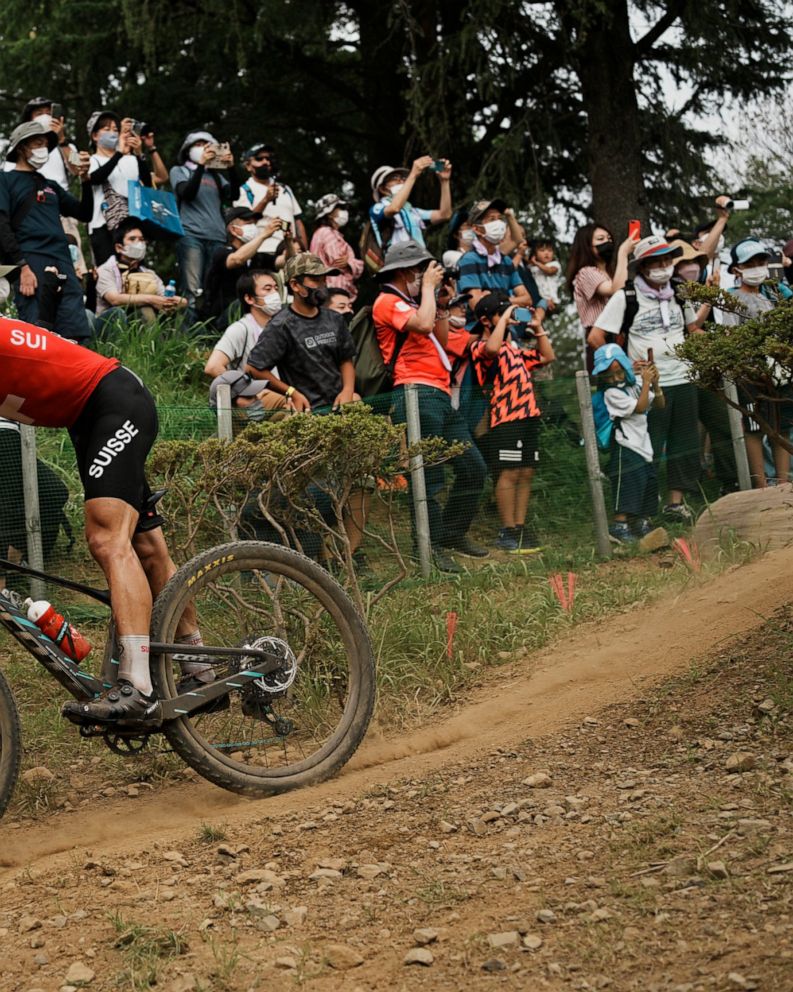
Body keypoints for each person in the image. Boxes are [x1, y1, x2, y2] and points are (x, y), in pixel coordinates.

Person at [0, 318, 202, 724]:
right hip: (91, 417)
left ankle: (138, 688)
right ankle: (198, 665)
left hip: (112, 402)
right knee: (145, 547)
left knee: (108, 540)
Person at [372, 239, 488, 572]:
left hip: (439, 394)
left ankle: (451, 532)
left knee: (473, 468)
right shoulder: (386, 301)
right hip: (414, 391)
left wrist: (440, 301)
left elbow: (440, 335)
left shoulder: (416, 302)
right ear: (409, 271)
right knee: (429, 477)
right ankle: (428, 546)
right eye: (423, 271)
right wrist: (427, 291)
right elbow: (421, 326)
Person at [590, 235, 701, 522]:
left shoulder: (678, 291)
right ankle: (641, 511)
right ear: (643, 267)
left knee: (685, 442)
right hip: (645, 386)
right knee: (647, 445)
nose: (664, 266)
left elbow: (692, 328)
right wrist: (624, 366)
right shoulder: (626, 296)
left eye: (667, 260)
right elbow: (596, 336)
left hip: (684, 377)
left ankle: (675, 504)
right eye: (656, 262)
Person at [470, 294, 555, 553]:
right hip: (505, 418)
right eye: (501, 312)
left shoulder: (514, 349)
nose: (509, 316)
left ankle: (519, 526)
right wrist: (506, 319)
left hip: (529, 415)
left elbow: (547, 357)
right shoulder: (479, 347)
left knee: (526, 471)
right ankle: (507, 530)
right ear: (486, 320)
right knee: (508, 472)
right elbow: (491, 349)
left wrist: (538, 329)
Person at [0, 121, 93, 342]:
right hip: (31, 261)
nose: (43, 148)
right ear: (22, 147)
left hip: (63, 261)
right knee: (37, 333)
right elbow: (1, 224)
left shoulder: (50, 184)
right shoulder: (5, 180)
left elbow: (84, 213)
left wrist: (86, 179)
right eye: (37, 142)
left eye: (45, 143)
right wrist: (21, 267)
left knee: (75, 330)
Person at [723, 237, 793, 487]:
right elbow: (731, 338)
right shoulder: (730, 298)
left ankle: (783, 483)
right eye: (750, 263)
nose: (757, 267)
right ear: (737, 269)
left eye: (761, 261)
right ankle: (761, 486)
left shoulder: (775, 293)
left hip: (780, 371)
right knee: (754, 428)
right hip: (750, 374)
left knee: (781, 425)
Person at [245, 253, 355, 412]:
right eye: (315, 280)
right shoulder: (281, 326)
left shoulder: (335, 319)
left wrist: (348, 391)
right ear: (295, 285)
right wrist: (291, 393)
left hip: (340, 409)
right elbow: (253, 368)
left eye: (324, 279)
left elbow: (346, 359)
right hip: (307, 414)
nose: (322, 285)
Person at [592, 343, 665, 543]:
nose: (615, 379)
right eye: (609, 376)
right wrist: (647, 382)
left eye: (618, 373)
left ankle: (642, 521)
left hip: (644, 446)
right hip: (626, 447)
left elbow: (659, 404)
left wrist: (655, 383)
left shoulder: (634, 387)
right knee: (628, 485)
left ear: (625, 367)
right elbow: (641, 408)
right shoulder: (611, 394)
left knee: (648, 483)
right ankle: (620, 525)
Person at [170, 130, 240, 320]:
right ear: (188, 149)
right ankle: (187, 337)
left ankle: (208, 333)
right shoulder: (180, 171)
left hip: (217, 236)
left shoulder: (216, 177)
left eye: (207, 145)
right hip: (191, 235)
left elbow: (234, 195)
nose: (203, 148)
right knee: (192, 288)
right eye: (199, 144)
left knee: (212, 288)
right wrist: (200, 166)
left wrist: (231, 168)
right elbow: (187, 193)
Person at [87, 111, 152, 266]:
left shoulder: (130, 159)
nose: (112, 133)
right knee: (107, 276)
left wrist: (139, 153)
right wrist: (117, 154)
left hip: (131, 228)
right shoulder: (92, 160)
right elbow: (95, 178)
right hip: (101, 227)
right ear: (95, 136)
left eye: (116, 130)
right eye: (106, 129)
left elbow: (147, 183)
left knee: (134, 275)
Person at [95, 219, 186, 328]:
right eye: (132, 239)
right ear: (119, 248)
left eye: (141, 239)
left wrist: (178, 302)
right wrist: (151, 299)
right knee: (145, 310)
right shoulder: (106, 270)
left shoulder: (149, 274)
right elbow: (114, 299)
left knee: (173, 314)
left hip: (140, 322)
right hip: (110, 325)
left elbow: (163, 297)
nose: (139, 243)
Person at [202, 207, 283, 326]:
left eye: (254, 223)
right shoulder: (221, 252)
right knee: (244, 302)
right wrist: (264, 235)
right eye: (248, 223)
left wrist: (289, 241)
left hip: (248, 317)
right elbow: (237, 259)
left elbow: (283, 261)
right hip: (221, 319)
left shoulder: (257, 257)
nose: (254, 227)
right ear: (233, 229)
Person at [457, 199, 536, 311]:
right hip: (478, 327)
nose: (498, 223)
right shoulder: (469, 260)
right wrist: (512, 300)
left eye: (499, 218)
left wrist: (499, 300)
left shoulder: (506, 261)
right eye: (492, 219)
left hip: (506, 325)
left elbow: (527, 300)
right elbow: (477, 305)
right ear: (477, 229)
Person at [204, 270, 282, 377]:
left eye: (276, 288)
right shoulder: (240, 329)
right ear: (249, 298)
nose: (275, 294)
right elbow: (213, 367)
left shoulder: (280, 327)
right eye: (268, 289)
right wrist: (244, 390)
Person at [369, 157, 452, 251]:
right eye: (395, 178)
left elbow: (445, 214)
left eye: (403, 178)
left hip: (420, 260)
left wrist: (444, 181)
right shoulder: (376, 208)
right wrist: (413, 174)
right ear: (382, 189)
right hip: (397, 262)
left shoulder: (412, 211)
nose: (402, 181)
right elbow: (395, 208)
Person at [235, 143, 307, 250]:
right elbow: (243, 224)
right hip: (262, 252)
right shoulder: (243, 191)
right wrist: (265, 200)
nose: (266, 162)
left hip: (291, 252)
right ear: (248, 166)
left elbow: (298, 222)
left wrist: (305, 250)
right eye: (259, 159)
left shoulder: (285, 189)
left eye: (268, 158)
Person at [310, 194, 363, 302]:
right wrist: (353, 263)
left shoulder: (321, 233)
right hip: (334, 292)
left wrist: (349, 262)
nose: (343, 212)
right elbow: (339, 264)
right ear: (329, 213)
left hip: (325, 291)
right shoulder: (327, 233)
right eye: (340, 208)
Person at [208, 368, 289, 423]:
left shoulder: (268, 401)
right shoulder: (216, 445)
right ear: (229, 406)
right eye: (248, 396)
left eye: (255, 394)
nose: (256, 399)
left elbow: (291, 404)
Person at [528, 238, 562, 311]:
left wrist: (537, 263)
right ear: (535, 254)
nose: (546, 253)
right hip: (536, 298)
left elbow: (550, 271)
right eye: (542, 250)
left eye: (550, 251)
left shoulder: (554, 264)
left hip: (550, 299)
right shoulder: (532, 268)